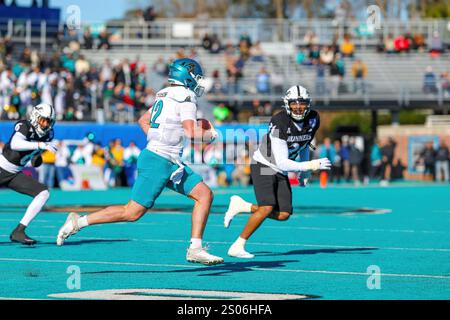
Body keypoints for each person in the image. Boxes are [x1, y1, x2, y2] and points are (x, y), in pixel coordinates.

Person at [56, 58, 224, 265]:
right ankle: (78, 222)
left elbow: (143, 120)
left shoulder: (165, 93)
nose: (197, 83)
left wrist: (158, 138)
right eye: (195, 78)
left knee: (204, 195)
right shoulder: (186, 96)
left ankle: (195, 248)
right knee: (132, 212)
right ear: (186, 77)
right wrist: (212, 135)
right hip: (159, 160)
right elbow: (191, 132)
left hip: (166, 159)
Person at [223, 85, 331, 258]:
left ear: (308, 104)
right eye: (294, 103)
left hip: (280, 168)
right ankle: (238, 245)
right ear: (287, 104)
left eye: (301, 103)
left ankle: (242, 206)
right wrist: (311, 165)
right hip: (264, 165)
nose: (298, 107)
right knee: (266, 207)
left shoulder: (313, 119)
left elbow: (303, 144)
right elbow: (283, 162)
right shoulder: (279, 122)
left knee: (284, 214)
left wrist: (304, 172)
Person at [0, 103, 57, 244]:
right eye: (42, 120)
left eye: (48, 121)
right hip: (1, 167)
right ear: (35, 117)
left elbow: (28, 161)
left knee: (43, 193)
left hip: (14, 173)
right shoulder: (24, 125)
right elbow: (15, 144)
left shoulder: (47, 135)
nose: (45, 124)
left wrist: (35, 160)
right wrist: (39, 145)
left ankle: (19, 231)